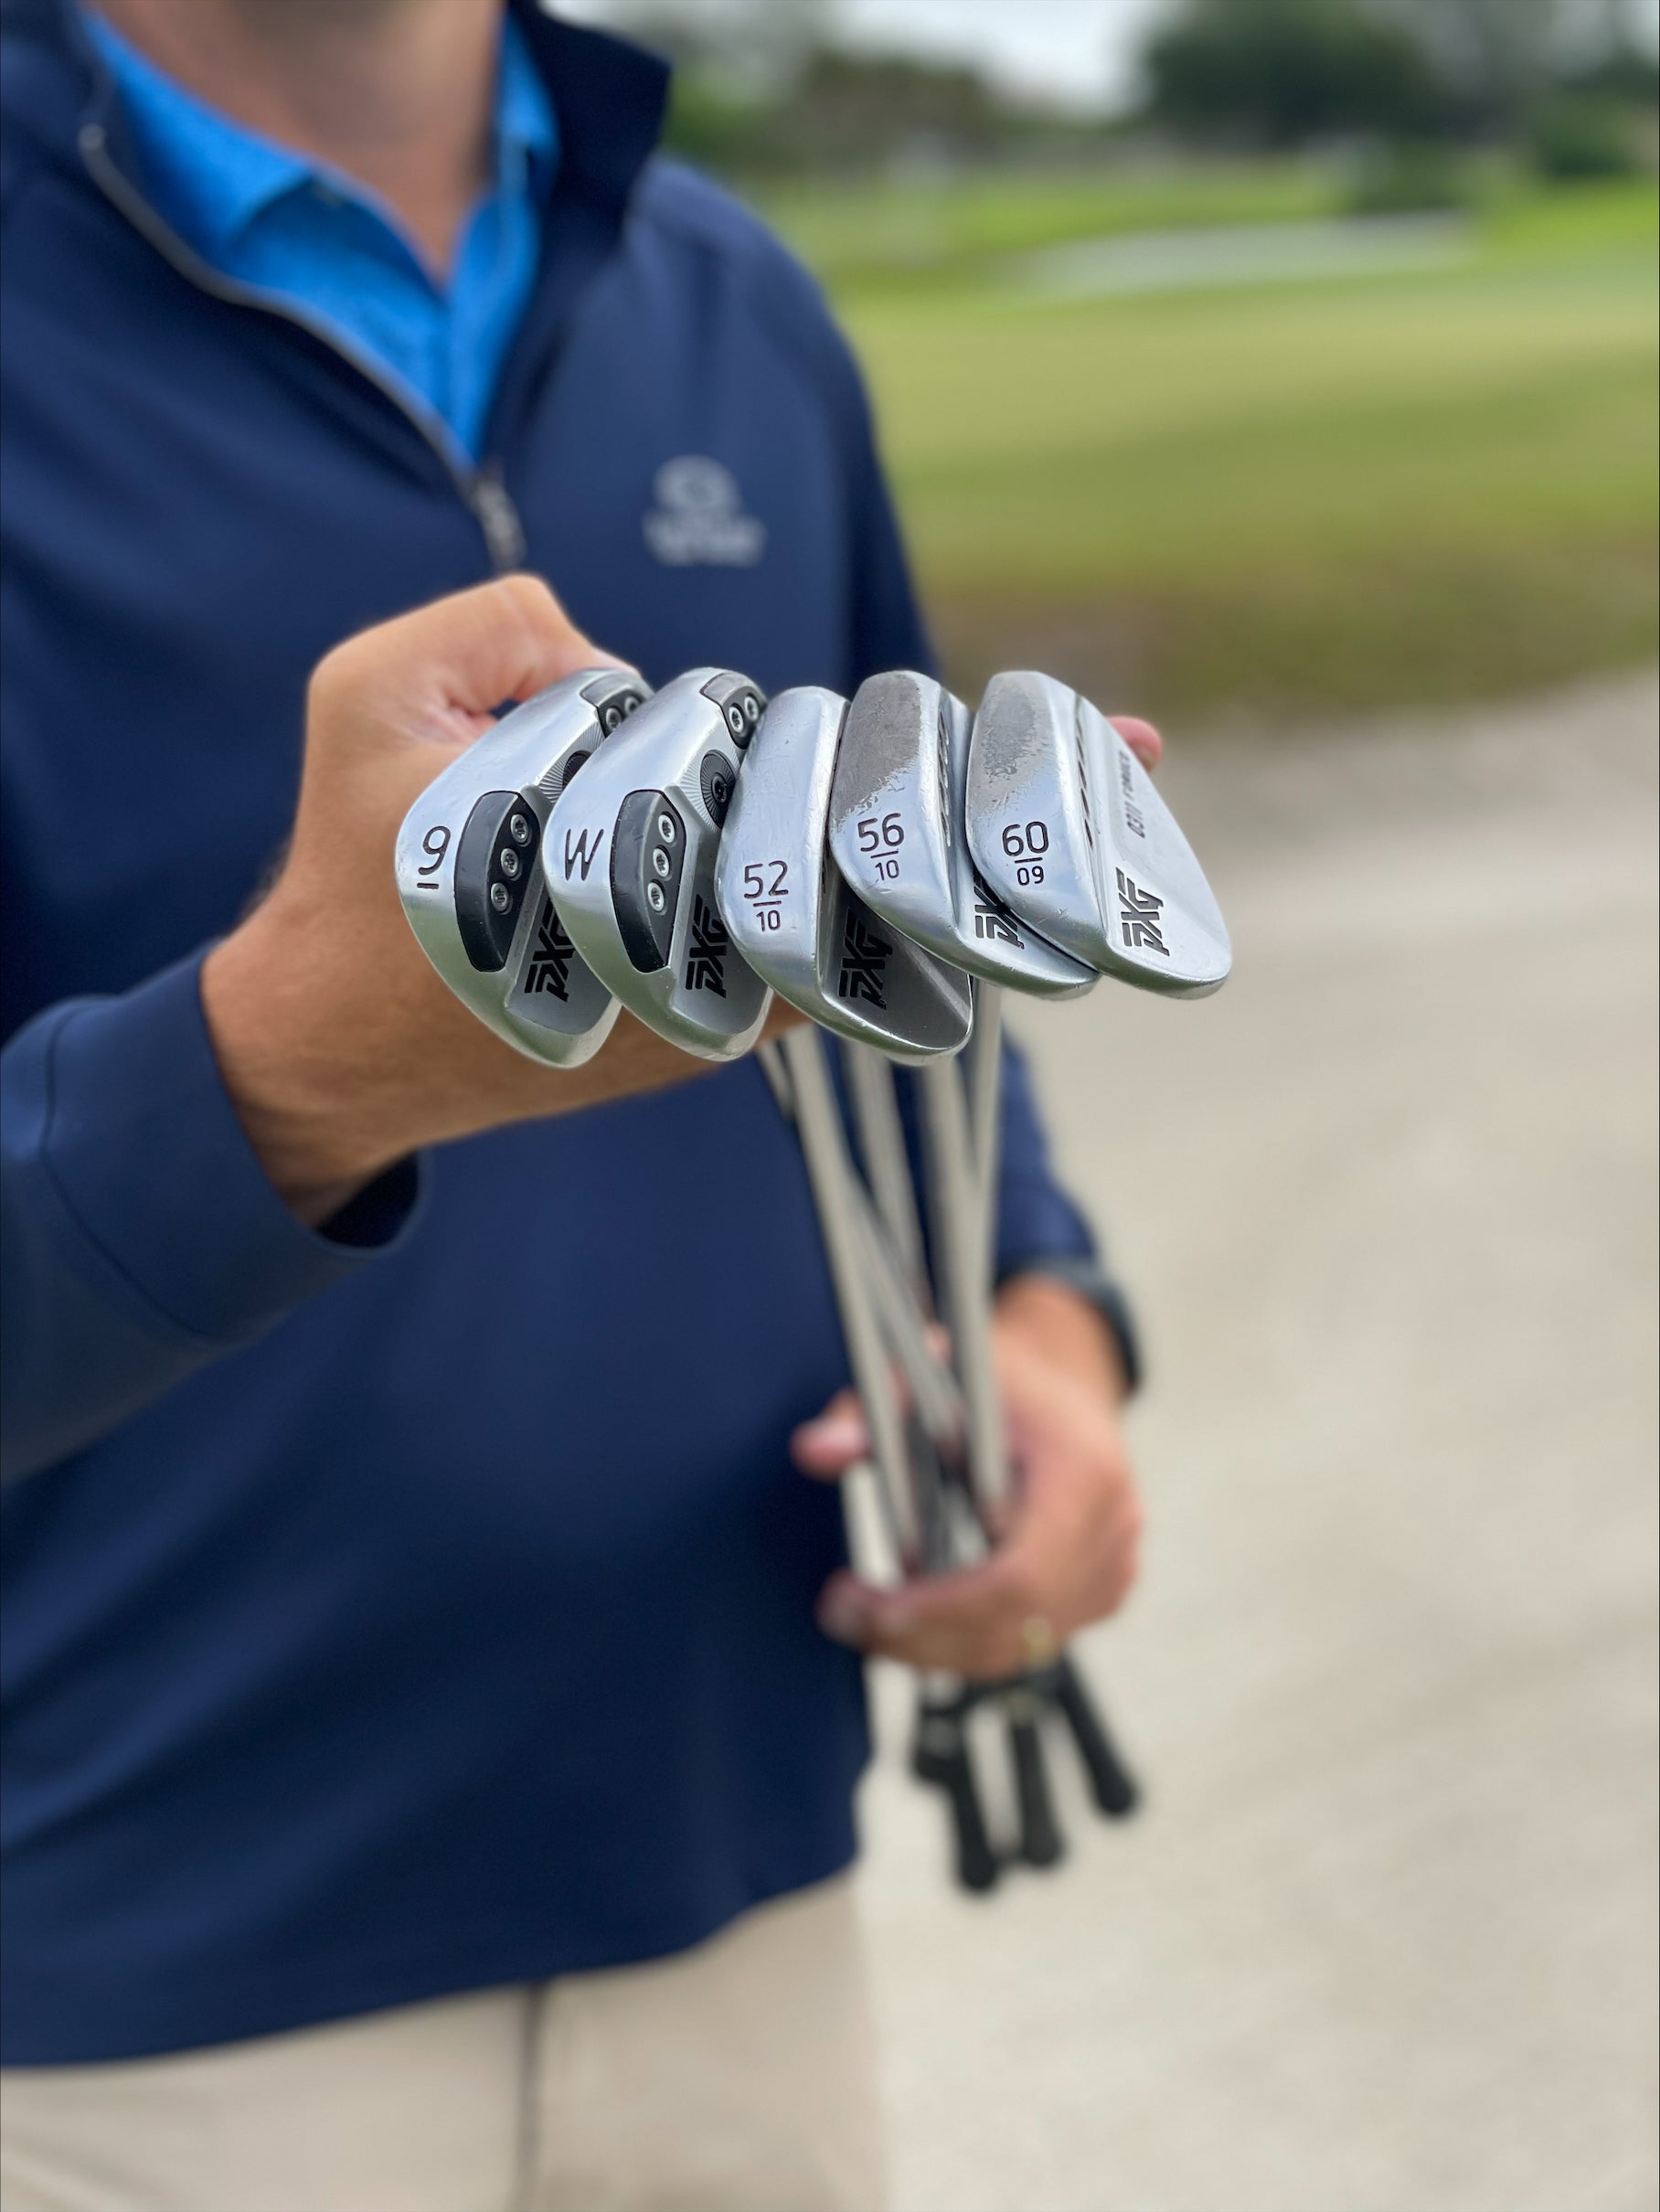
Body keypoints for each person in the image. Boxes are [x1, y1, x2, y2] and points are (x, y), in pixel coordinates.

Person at [0, 2, 1153, 2204]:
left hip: (738, 1896)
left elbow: (905, 932)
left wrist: (1037, 1325)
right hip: (121, 2012)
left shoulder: (730, 293)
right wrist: (280, 1073)